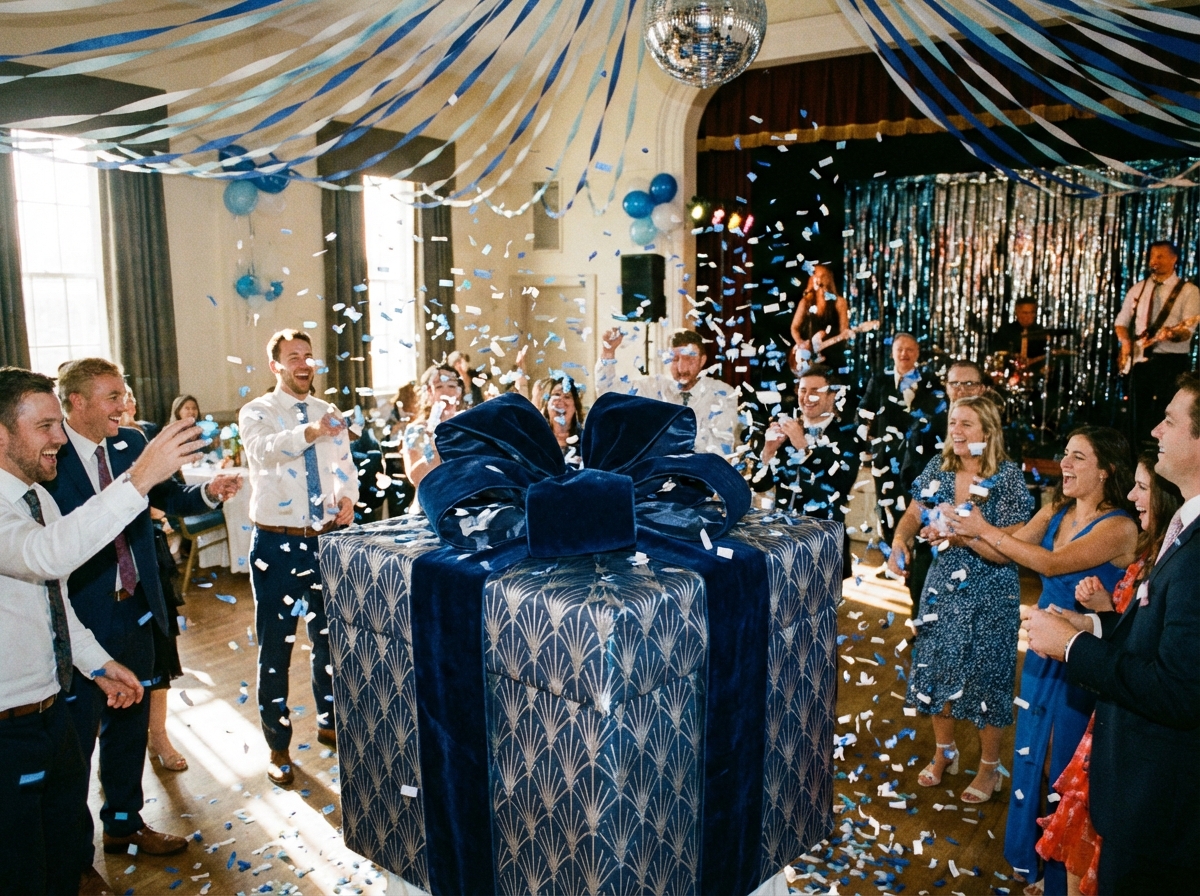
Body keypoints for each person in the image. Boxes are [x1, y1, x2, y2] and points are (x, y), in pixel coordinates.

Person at [0, 367, 204, 895]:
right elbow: (43, 557)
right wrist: (139, 478)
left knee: (57, 854)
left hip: (46, 705)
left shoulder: (36, 498)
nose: (57, 437)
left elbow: (56, 600)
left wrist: (96, 662)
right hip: (7, 723)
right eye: (45, 426)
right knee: (22, 867)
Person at [45, 358, 241, 874]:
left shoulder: (133, 444)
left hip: (137, 604)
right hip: (83, 616)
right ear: (77, 402)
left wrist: (207, 490)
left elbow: (172, 497)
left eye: (125, 392)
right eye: (111, 395)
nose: (124, 404)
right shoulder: (50, 457)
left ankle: (124, 825)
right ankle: (75, 859)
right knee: (78, 738)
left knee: (130, 724)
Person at [1025, 376, 1200, 894]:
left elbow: (1180, 690)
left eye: (1169, 420)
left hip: (1159, 806)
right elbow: (1164, 635)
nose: (1155, 429)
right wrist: (1094, 626)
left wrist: (1074, 647)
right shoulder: (1187, 528)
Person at [948, 426, 1138, 893]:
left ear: (1105, 470)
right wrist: (958, 534)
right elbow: (1006, 546)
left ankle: (1060, 872)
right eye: (1065, 455)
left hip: (1082, 650)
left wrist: (982, 528)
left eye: (1077, 457)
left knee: (1066, 759)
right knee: (1031, 746)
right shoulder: (1057, 508)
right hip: (1040, 646)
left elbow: (1050, 564)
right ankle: (1027, 857)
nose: (1065, 465)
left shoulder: (1119, 526)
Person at [887, 396, 1033, 803]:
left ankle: (990, 768)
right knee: (936, 669)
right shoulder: (939, 467)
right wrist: (901, 539)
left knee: (987, 678)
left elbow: (1006, 552)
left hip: (991, 592)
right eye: (954, 422)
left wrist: (960, 534)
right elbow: (915, 513)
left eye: (967, 424)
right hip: (942, 589)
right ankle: (944, 752)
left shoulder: (1008, 480)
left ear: (988, 432)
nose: (957, 430)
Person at [239, 328, 359, 786]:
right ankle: (278, 747)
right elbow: (264, 451)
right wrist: (311, 430)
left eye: (308, 356)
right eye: (293, 357)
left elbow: (342, 466)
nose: (304, 364)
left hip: (324, 541)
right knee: (277, 648)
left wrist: (347, 497)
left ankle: (330, 720)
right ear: (276, 366)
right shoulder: (258, 412)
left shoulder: (329, 411)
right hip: (276, 545)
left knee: (328, 639)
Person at [754, 363, 862, 575]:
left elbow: (841, 482)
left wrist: (804, 446)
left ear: (831, 397)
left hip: (824, 542)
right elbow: (760, 484)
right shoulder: (787, 429)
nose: (807, 397)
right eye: (803, 390)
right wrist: (768, 451)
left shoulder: (848, 434)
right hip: (783, 541)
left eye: (816, 391)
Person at [596, 327, 739, 459]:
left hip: (702, 477)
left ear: (702, 360)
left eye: (690, 359)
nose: (682, 368)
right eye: (675, 359)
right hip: (659, 475)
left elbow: (720, 448)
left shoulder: (722, 394)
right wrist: (608, 352)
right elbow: (607, 395)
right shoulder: (653, 388)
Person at [857, 332, 945, 548]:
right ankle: (892, 557)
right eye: (900, 349)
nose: (904, 354)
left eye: (910, 349)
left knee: (918, 507)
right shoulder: (879, 380)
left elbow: (938, 415)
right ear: (892, 353)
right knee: (886, 506)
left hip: (919, 459)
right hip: (885, 458)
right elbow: (863, 410)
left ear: (917, 354)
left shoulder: (930, 381)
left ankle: (918, 560)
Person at [1115, 240, 1200, 452]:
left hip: (1170, 361)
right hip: (1140, 361)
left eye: (1161, 256)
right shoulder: (1140, 288)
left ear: (1174, 259)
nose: (1155, 260)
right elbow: (1121, 322)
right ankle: (1133, 458)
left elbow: (1186, 330)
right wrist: (1126, 342)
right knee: (1136, 414)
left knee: (1164, 412)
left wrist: (1171, 334)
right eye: (1153, 256)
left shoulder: (1188, 291)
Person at [403, 364, 465, 490]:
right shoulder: (415, 430)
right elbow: (415, 478)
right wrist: (435, 439)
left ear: (459, 391)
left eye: (452, 386)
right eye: (439, 386)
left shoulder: (469, 424)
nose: (445, 392)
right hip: (428, 501)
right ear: (429, 392)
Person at [789, 264, 851, 371]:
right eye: (815, 275)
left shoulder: (839, 302)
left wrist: (841, 339)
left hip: (832, 355)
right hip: (811, 355)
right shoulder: (806, 302)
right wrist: (801, 343)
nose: (818, 279)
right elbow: (794, 327)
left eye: (822, 276)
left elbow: (843, 331)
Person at [536, 374, 586, 468]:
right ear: (547, 405)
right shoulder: (536, 439)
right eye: (556, 394)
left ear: (575, 407)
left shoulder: (586, 441)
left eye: (567, 396)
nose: (561, 400)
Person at [995, 298, 1049, 362]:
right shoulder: (1006, 331)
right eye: (1025, 313)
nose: (1029, 316)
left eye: (1032, 313)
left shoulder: (1041, 332)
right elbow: (999, 353)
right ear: (1017, 312)